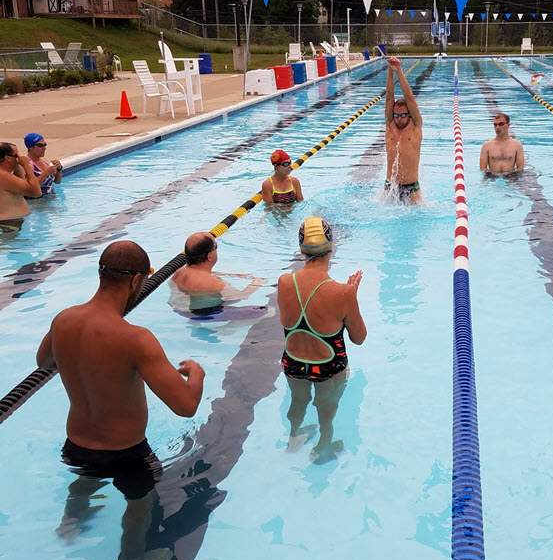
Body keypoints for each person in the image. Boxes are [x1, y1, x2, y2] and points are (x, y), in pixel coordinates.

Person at [36, 240, 205, 560]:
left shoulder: (63, 320)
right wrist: (196, 375)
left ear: (101, 274)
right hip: (127, 454)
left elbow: (43, 360)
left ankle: (69, 524)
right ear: (135, 281)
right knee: (141, 505)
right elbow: (185, 406)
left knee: (84, 481)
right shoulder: (135, 338)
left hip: (76, 444)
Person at [277, 216, 366, 463]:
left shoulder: (285, 282)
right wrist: (351, 297)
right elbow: (359, 338)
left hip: (293, 363)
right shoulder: (342, 292)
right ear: (331, 247)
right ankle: (324, 446)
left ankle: (294, 437)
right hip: (328, 369)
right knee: (326, 409)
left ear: (301, 249)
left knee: (298, 400)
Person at [169, 231, 268, 320]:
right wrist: (256, 283)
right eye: (216, 247)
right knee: (264, 311)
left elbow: (203, 274)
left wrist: (233, 275)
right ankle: (225, 329)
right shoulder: (214, 283)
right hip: (204, 315)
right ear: (209, 256)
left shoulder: (179, 272)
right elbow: (242, 296)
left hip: (180, 310)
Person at [384, 56, 423, 204]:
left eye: (402, 115)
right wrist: (390, 70)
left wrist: (399, 71)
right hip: (390, 186)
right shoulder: (390, 124)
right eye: (396, 115)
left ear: (409, 115)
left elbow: (409, 97)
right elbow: (389, 97)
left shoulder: (416, 125)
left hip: (411, 188)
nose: (398, 118)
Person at [0, 141, 41, 232]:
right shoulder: (4, 176)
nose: (20, 157)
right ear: (8, 158)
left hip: (11, 223)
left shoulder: (5, 175)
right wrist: (26, 165)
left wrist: (18, 166)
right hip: (9, 224)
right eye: (17, 155)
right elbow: (36, 192)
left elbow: (22, 188)